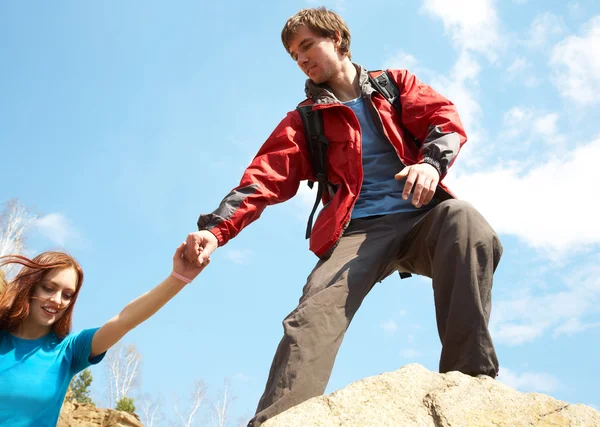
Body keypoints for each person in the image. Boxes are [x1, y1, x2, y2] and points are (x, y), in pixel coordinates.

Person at [185, 7, 502, 426]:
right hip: (357, 232)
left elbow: (444, 119)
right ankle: (278, 420)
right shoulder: (305, 120)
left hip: (421, 219)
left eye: (307, 46)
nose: (301, 58)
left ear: (336, 38)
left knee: (466, 221)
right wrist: (215, 230)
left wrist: (430, 164)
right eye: (294, 54)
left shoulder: (393, 85)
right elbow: (263, 178)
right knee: (312, 315)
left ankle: (469, 382)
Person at [0, 243, 209, 426]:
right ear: (30, 286)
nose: (57, 300)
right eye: (48, 288)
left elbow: (124, 320)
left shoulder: (69, 351)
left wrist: (178, 278)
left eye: (67, 295)